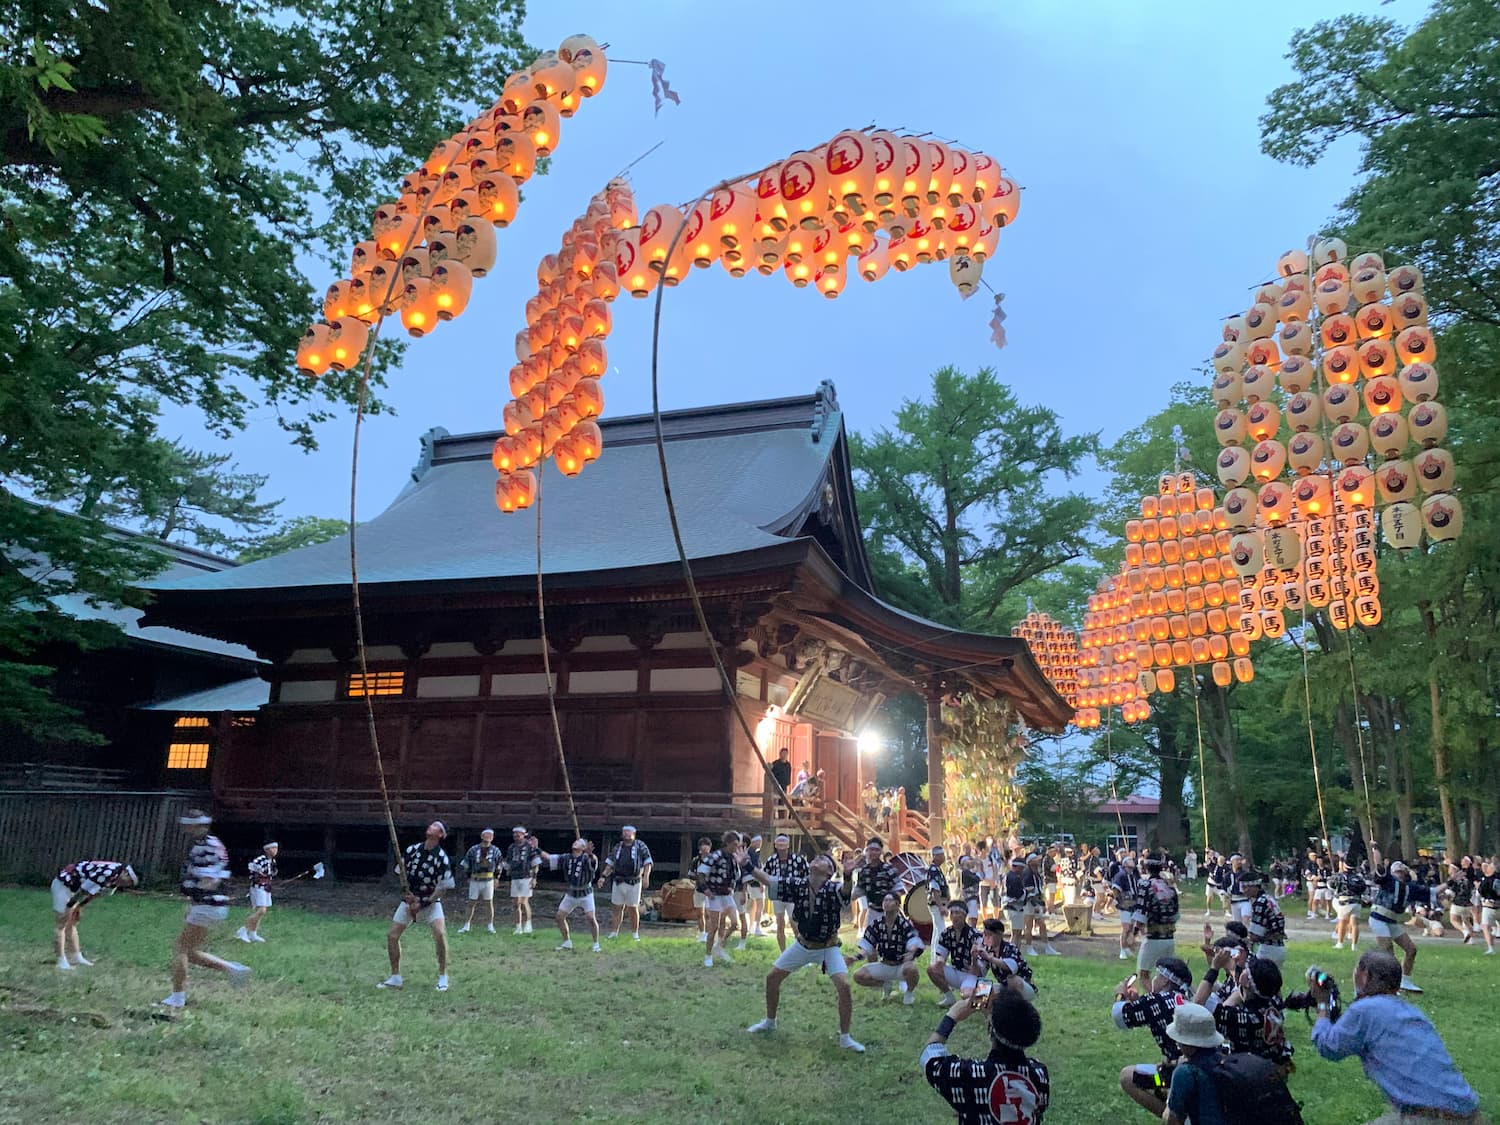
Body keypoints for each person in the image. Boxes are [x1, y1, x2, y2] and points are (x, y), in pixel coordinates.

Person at [1307, 949, 1482, 1124]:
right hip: (1470, 1115)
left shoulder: (1364, 1011)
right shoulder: (1411, 1012)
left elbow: (1329, 1046)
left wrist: (1322, 1004)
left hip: (1427, 1118)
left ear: (1365, 976)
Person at [745, 852, 864, 1052]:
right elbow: (769, 880)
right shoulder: (798, 884)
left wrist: (847, 875)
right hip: (803, 945)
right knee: (772, 978)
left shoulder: (833, 888)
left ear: (829, 872)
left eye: (823, 860)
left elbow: (845, 892)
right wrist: (747, 864)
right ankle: (770, 1021)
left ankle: (845, 1037)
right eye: (816, 858)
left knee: (844, 985)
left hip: (828, 947)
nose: (816, 859)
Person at [921, 988, 1050, 1123]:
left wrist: (952, 1016)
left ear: (990, 1030)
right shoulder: (1040, 1075)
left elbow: (930, 1057)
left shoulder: (969, 1075)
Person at [163, 809, 251, 1008]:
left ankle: (177, 997)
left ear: (196, 825)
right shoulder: (208, 844)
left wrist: (194, 892)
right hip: (209, 905)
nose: (184, 828)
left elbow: (211, 878)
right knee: (191, 952)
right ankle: (234, 970)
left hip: (208, 903)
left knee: (181, 948)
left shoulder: (207, 846)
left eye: (187, 824)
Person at [379, 820, 455, 991]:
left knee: (440, 933)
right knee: (392, 936)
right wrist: (408, 894)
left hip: (430, 901)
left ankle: (443, 976)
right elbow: (401, 872)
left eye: (435, 826)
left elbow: (443, 887)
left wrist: (424, 902)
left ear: (440, 834)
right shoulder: (412, 850)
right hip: (410, 899)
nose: (431, 826)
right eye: (431, 824)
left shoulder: (441, 857)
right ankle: (395, 976)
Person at [1113, 955, 1193, 1115]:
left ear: (1165, 981)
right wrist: (1138, 1002)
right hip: (1196, 1068)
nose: (1154, 979)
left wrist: (1120, 996)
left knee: (1128, 1077)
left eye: (1157, 976)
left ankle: (1172, 1117)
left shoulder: (1157, 1000)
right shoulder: (1187, 998)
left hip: (1176, 1073)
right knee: (1160, 1071)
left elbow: (1121, 1016)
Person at [1194, 946, 1292, 1074]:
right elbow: (1241, 991)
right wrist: (1230, 966)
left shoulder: (1242, 1019)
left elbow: (1199, 1002)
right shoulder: (1274, 1003)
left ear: (1245, 980)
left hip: (1247, 1076)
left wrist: (1214, 968)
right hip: (1273, 1071)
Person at [51, 858, 138, 970]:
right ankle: (61, 961)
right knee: (62, 923)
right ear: (125, 873)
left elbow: (95, 893)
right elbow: (83, 891)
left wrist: (79, 907)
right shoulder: (108, 873)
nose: (127, 884)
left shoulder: (115, 879)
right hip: (64, 884)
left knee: (72, 922)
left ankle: (76, 956)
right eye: (129, 881)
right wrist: (69, 907)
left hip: (76, 888)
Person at [852, 890, 924, 1004]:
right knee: (858, 975)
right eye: (885, 900)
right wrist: (855, 958)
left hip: (901, 966)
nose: (886, 903)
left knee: (912, 969)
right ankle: (885, 984)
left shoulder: (904, 924)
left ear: (897, 905)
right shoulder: (876, 924)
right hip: (884, 964)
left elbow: (914, 941)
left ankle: (909, 994)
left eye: (890, 900)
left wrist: (912, 952)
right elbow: (866, 944)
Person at [1162, 1003, 1229, 1125]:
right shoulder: (1226, 1061)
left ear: (1187, 1043)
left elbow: (1171, 1120)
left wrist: (1170, 1095)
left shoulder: (1186, 1072)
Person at [537, 837, 601, 953]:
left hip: (585, 893)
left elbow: (594, 863)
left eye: (579, 843)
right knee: (559, 917)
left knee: (591, 918)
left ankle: (596, 944)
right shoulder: (566, 858)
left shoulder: (587, 858)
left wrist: (591, 854)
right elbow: (549, 857)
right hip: (571, 893)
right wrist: (536, 848)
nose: (575, 843)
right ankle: (567, 942)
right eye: (575, 841)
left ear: (583, 848)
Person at [1369, 861, 1423, 992]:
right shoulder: (1388, 882)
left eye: (1401, 872)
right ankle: (1387, 985)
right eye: (1397, 872)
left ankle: (1405, 981)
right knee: (1388, 952)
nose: (1400, 875)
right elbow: (1380, 870)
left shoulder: (1407, 887)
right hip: (1379, 918)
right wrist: (1377, 856)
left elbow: (1426, 891)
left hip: (1391, 921)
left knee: (1411, 949)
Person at [597, 825, 652, 942]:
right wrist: (603, 877)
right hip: (618, 880)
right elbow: (610, 864)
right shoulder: (618, 847)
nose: (627, 834)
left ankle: (635, 934)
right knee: (617, 907)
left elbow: (647, 862)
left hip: (634, 881)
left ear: (634, 834)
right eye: (625, 832)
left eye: (629, 832)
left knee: (633, 908)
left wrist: (646, 877)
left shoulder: (640, 845)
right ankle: (614, 932)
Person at [696, 830, 741, 967]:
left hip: (727, 895)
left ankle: (719, 946)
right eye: (734, 844)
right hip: (714, 895)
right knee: (714, 927)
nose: (736, 847)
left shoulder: (733, 858)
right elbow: (701, 872)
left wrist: (732, 887)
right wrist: (706, 889)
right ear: (727, 843)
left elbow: (735, 875)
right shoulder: (715, 856)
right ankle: (708, 955)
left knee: (735, 923)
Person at [1133, 856, 1180, 987]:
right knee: (1165, 976)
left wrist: (1134, 933)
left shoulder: (1146, 886)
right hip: (1169, 938)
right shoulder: (1169, 887)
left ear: (1146, 868)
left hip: (1153, 937)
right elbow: (1175, 915)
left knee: (1143, 974)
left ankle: (1153, 997)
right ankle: (1166, 997)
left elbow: (1141, 912)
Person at [929, 900, 985, 1005]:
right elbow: (941, 955)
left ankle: (984, 995)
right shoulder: (946, 933)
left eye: (957, 913)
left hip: (971, 974)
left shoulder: (975, 935)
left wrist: (975, 966)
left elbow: (982, 966)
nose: (954, 916)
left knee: (967, 996)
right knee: (932, 968)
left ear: (964, 915)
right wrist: (939, 962)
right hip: (956, 971)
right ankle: (949, 997)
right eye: (952, 913)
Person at [762, 833, 810, 952]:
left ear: (788, 845)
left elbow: (807, 875)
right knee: (780, 924)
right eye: (779, 842)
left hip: (793, 896)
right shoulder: (771, 860)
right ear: (775, 845)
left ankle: (801, 951)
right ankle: (783, 952)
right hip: (777, 896)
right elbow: (764, 874)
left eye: (784, 842)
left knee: (795, 924)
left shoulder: (798, 860)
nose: (781, 845)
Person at [846, 836, 901, 936]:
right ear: (866, 851)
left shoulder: (888, 869)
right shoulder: (864, 871)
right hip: (873, 911)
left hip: (890, 912)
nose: (874, 852)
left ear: (881, 852)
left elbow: (899, 888)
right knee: (870, 939)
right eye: (871, 849)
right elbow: (857, 892)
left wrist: (892, 902)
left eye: (877, 850)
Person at [973, 916, 1037, 1000]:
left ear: (999, 935)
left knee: (1012, 980)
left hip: (1023, 986)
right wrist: (974, 959)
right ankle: (984, 1007)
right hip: (1005, 987)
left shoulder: (1010, 948)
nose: (985, 937)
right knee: (982, 988)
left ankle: (1017, 1005)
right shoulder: (988, 950)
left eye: (989, 934)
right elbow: (979, 975)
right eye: (984, 934)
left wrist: (990, 958)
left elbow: (1010, 967)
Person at [457, 828, 502, 934]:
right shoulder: (473, 849)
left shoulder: (496, 850)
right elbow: (466, 864)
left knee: (489, 903)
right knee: (471, 902)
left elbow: (499, 865)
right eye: (487, 835)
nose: (489, 837)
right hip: (475, 879)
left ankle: (490, 925)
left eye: (491, 835)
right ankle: (466, 925)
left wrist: (497, 878)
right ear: (482, 836)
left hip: (489, 879)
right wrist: (468, 876)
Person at [502, 825, 542, 934]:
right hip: (515, 877)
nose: (516, 836)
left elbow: (535, 863)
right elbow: (508, 863)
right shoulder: (511, 847)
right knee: (516, 903)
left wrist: (534, 878)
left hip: (526, 876)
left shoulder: (529, 847)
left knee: (524, 902)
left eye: (518, 834)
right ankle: (518, 926)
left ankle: (528, 924)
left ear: (523, 835)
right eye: (515, 834)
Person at [237, 841, 278, 944]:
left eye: (276, 848)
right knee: (261, 910)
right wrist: (261, 879)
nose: (275, 850)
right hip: (258, 888)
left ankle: (253, 933)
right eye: (272, 848)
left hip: (266, 888)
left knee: (261, 912)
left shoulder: (272, 861)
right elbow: (253, 873)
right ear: (267, 850)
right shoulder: (259, 860)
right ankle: (243, 930)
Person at [1244, 870, 1288, 966]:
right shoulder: (1268, 898)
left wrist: (1241, 940)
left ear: (1254, 886)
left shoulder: (1260, 903)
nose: (1244, 891)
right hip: (1279, 948)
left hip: (1268, 950)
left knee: (1249, 971)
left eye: (1245, 887)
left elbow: (1254, 936)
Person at [1023, 853, 1060, 957]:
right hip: (1029, 903)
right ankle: (1029, 948)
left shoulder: (1036, 873)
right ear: (1030, 861)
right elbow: (1028, 891)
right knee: (1029, 926)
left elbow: (1039, 889)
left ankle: (1047, 947)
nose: (1038, 861)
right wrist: (1035, 903)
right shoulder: (1027, 873)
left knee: (1042, 925)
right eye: (1035, 859)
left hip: (1036, 901)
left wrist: (1041, 903)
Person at [731, 832, 762, 949]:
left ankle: (742, 942)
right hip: (728, 889)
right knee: (723, 916)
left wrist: (744, 892)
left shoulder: (747, 856)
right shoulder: (732, 855)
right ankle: (721, 940)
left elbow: (746, 875)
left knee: (742, 915)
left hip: (739, 889)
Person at [1332, 856, 1368, 951]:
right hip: (1357, 902)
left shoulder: (1341, 876)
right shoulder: (1358, 877)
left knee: (1342, 922)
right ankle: (1354, 945)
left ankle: (1340, 943)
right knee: (1355, 924)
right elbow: (1364, 888)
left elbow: (1331, 885)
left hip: (1345, 902)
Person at [1114, 855, 1141, 961]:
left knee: (1131, 927)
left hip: (1134, 905)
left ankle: (1127, 947)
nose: (1132, 861)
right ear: (1125, 863)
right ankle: (1122, 949)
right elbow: (1115, 890)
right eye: (1129, 860)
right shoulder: (1120, 875)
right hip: (1125, 906)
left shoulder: (1134, 875)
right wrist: (1120, 902)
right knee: (1126, 928)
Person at [689, 835, 714, 943]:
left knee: (708, 913)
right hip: (699, 889)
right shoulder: (696, 860)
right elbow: (691, 874)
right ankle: (702, 933)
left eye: (707, 845)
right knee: (699, 913)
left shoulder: (714, 860)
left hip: (710, 890)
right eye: (703, 845)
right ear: (699, 847)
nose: (705, 847)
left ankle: (708, 934)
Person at [743, 834, 769, 935]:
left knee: (754, 904)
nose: (760, 844)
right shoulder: (752, 854)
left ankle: (751, 927)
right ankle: (757, 927)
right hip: (755, 882)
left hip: (750, 882)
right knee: (760, 905)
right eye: (759, 842)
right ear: (754, 842)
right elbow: (755, 870)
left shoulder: (750, 853)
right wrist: (761, 883)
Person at [925, 845, 951, 940]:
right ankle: (939, 949)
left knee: (937, 930)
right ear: (936, 857)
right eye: (942, 855)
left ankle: (934, 950)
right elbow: (934, 889)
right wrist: (940, 906)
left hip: (938, 904)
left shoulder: (937, 869)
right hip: (936, 904)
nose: (944, 857)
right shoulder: (933, 870)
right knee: (941, 929)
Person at [1477, 858, 1499, 956]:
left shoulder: (1487, 879)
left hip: (1489, 905)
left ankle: (1491, 948)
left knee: (1485, 926)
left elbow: (1481, 891)